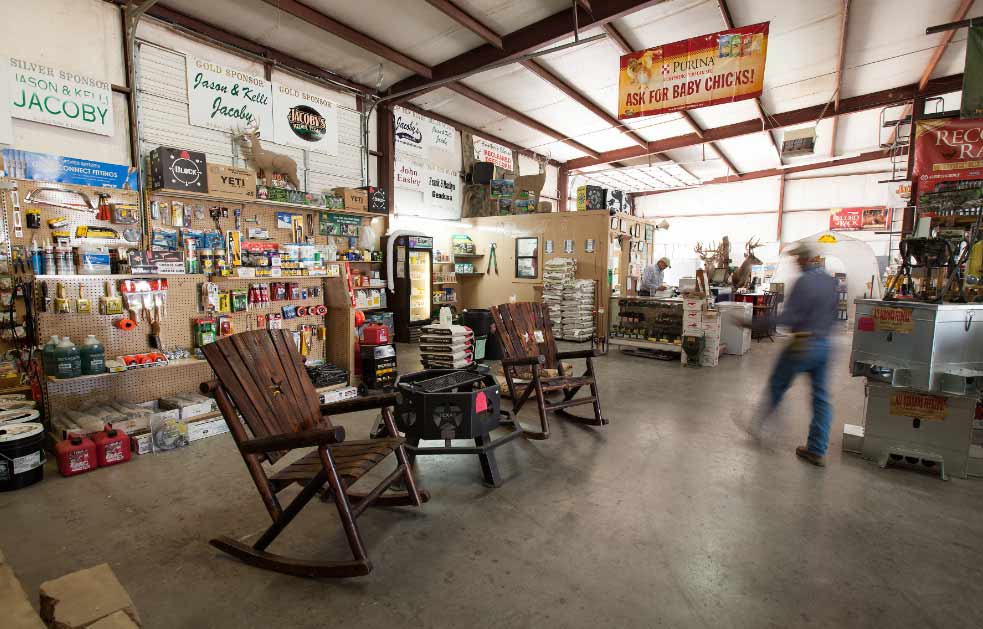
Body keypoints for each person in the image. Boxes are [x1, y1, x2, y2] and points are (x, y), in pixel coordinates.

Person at [746, 243, 838, 467]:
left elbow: (789, 318)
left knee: (778, 384)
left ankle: (759, 428)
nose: (796, 263)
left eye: (797, 259)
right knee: (822, 398)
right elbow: (835, 315)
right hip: (825, 344)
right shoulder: (829, 281)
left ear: (802, 260)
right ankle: (816, 449)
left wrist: (753, 323)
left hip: (803, 344)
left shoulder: (804, 282)